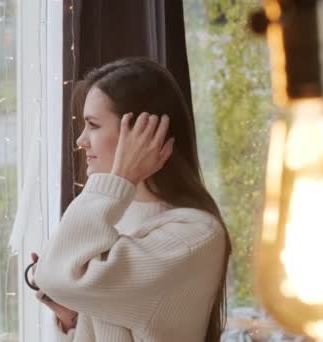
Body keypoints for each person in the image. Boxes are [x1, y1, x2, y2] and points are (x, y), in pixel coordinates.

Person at [32, 57, 232, 342]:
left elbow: (56, 275)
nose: (81, 141)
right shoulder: (112, 212)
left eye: (93, 125)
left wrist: (119, 179)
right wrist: (75, 320)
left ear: (142, 133)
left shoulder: (194, 235)